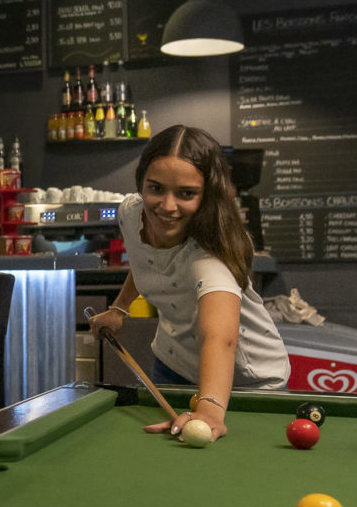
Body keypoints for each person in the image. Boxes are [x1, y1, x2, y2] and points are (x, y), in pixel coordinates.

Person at [88, 125, 289, 443]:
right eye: (156, 188)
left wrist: (210, 410)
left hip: (246, 381)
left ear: (207, 194)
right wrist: (119, 308)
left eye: (186, 193)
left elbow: (219, 337)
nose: (167, 206)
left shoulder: (210, 255)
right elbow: (146, 261)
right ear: (141, 182)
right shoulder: (131, 212)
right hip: (172, 365)